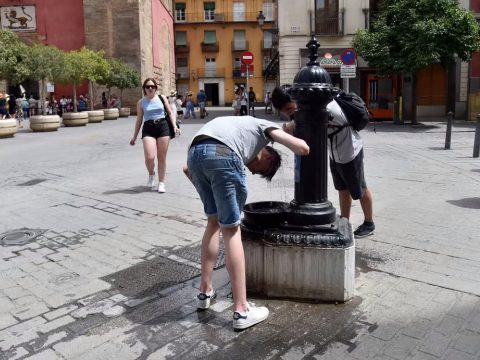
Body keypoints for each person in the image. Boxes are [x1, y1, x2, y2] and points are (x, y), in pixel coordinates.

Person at [184, 115, 309, 330]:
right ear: (268, 158)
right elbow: (302, 148)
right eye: (259, 170)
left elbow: (187, 170)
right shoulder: (262, 126)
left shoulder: (240, 129)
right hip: (223, 153)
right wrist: (304, 144)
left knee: (213, 222)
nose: (251, 170)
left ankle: (204, 293)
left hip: (194, 153)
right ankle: (242, 311)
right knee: (232, 231)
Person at [271, 87, 375, 238]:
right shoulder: (309, 106)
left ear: (295, 99)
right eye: (285, 111)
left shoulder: (323, 106)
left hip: (350, 150)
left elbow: (309, 125)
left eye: (289, 108)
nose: (289, 113)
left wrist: (292, 126)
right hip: (334, 153)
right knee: (342, 188)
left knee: (359, 188)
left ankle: (369, 223)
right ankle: (345, 221)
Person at [129, 78, 179, 193]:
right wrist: (134, 136)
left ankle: (161, 183)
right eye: (147, 86)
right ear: (144, 89)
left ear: (156, 88)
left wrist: (175, 126)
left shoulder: (162, 98)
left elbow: (170, 113)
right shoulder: (141, 102)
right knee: (150, 157)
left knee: (161, 157)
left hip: (163, 126)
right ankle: (151, 174)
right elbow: (139, 120)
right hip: (148, 128)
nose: (150, 88)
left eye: (152, 86)